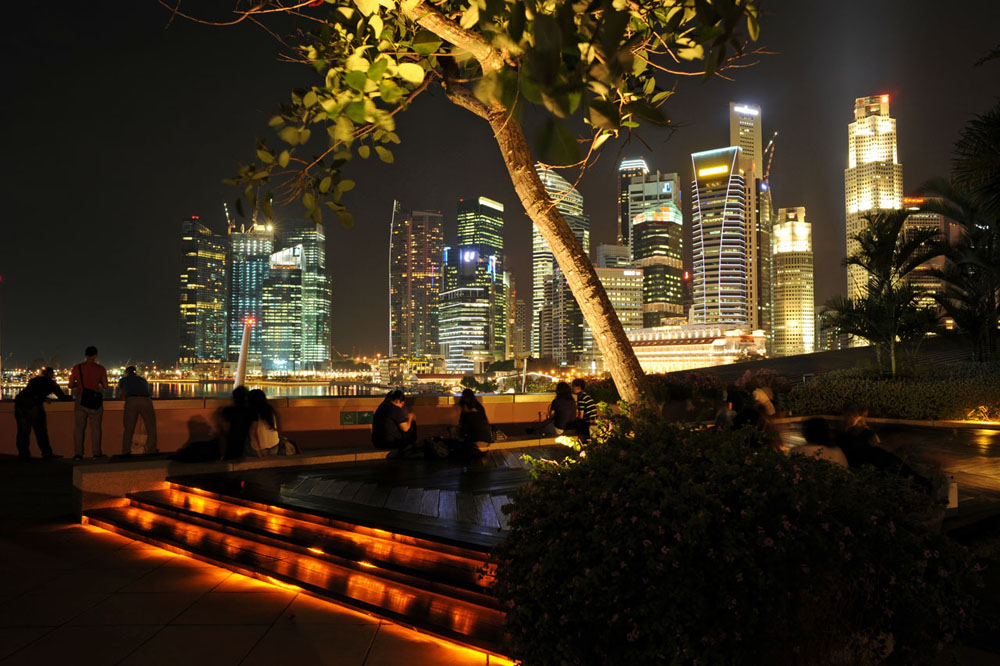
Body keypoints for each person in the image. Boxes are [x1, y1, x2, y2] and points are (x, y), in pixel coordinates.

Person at [839, 404, 932, 490]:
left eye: (855, 416)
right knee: (896, 466)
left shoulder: (860, 434)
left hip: (873, 462)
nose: (849, 418)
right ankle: (919, 481)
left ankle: (919, 480)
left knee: (896, 465)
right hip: (870, 465)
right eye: (850, 415)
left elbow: (877, 449)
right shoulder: (852, 434)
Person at [14, 367, 70, 461]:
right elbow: (62, 397)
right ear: (52, 375)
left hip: (20, 404)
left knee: (23, 432)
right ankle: (46, 452)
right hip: (34, 406)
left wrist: (43, 398)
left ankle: (23, 455)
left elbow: (31, 392)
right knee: (41, 431)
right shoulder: (51, 384)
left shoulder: (34, 380)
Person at [68, 346, 109, 460]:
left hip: (81, 399)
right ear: (95, 356)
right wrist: (98, 381)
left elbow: (71, 385)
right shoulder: (100, 368)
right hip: (94, 400)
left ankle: (78, 454)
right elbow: (105, 386)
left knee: (79, 428)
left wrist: (80, 384)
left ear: (85, 355)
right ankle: (96, 453)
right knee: (96, 428)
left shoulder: (77, 367)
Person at [117, 365, 158, 456]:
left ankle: (126, 451)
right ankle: (151, 450)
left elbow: (122, 394)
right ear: (136, 372)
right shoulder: (142, 380)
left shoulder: (123, 380)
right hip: (146, 400)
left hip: (131, 400)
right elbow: (147, 391)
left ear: (127, 373)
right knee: (151, 427)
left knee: (129, 428)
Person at [218, 386, 254, 460]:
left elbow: (224, 431)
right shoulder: (251, 412)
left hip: (230, 446)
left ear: (234, 398)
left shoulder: (228, 411)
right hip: (244, 446)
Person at [456, 388, 492, 454]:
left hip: (475, 444)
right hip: (487, 443)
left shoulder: (469, 416)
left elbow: (464, 431)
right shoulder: (479, 408)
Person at [247, 389, 281, 456]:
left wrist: (259, 452)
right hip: (275, 447)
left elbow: (252, 433)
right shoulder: (270, 410)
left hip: (262, 450)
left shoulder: (253, 413)